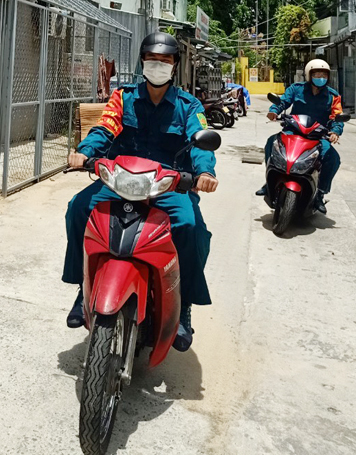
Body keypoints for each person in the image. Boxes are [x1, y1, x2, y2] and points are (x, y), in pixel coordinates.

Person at [63, 32, 219, 352]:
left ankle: (183, 305)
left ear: (174, 65)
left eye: (165, 61)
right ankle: (84, 287)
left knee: (190, 228)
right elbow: (104, 128)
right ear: (142, 62)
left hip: (168, 185)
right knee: (78, 208)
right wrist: (84, 152)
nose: (158, 66)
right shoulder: (123, 97)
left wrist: (204, 172)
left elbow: (200, 138)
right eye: (152, 60)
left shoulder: (189, 106)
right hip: (122, 181)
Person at [256, 59, 344, 214]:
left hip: (318, 136)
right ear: (309, 75)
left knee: (332, 158)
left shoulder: (333, 96)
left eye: (324, 74)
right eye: (317, 73)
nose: (320, 77)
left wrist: (336, 131)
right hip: (293, 130)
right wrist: (274, 110)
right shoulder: (296, 89)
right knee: (272, 143)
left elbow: (337, 115)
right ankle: (269, 182)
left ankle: (320, 193)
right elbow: (282, 102)